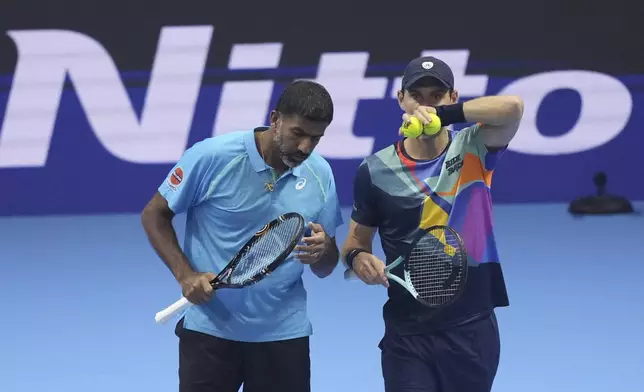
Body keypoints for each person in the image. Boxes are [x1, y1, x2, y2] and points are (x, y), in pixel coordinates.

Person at [141, 80, 343, 392]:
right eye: (298, 133)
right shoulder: (212, 157)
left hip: (284, 335)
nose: (305, 147)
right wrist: (185, 275)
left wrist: (324, 250)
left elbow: (326, 266)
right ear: (275, 120)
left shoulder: (320, 174)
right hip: (210, 331)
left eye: (315, 139)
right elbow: (154, 213)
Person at [341, 55, 524, 392]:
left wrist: (445, 117)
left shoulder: (475, 147)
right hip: (406, 333)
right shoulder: (374, 171)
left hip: (471, 328)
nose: (425, 105)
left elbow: (513, 108)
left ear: (452, 98)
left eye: (436, 97)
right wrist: (358, 259)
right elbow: (354, 244)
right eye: (417, 96)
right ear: (401, 100)